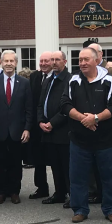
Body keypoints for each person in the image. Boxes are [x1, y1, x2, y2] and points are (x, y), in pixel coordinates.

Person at [60, 47, 112, 223]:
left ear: (96, 60)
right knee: (78, 177)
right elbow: (64, 104)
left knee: (109, 176)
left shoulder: (109, 80)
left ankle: (111, 209)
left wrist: (95, 118)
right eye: (80, 60)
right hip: (79, 139)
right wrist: (83, 119)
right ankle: (79, 209)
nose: (82, 63)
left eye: (86, 59)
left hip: (106, 139)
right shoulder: (73, 80)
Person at [0, 49, 33, 204]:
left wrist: (27, 128)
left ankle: (14, 191)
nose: (8, 64)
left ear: (16, 63)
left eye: (11, 61)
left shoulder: (24, 83)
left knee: (15, 163)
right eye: (6, 61)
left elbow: (28, 108)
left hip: (17, 131)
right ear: (1, 62)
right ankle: (0, 192)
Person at [38, 50, 70, 206]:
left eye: (57, 59)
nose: (54, 62)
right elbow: (40, 104)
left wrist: (53, 123)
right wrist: (40, 121)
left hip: (63, 130)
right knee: (55, 165)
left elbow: (68, 106)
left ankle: (73, 195)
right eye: (52, 60)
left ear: (65, 61)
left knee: (67, 166)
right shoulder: (48, 80)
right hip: (47, 130)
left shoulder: (70, 80)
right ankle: (59, 193)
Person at [28, 51, 52, 200]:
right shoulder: (34, 77)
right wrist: (37, 122)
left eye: (46, 61)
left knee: (57, 160)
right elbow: (31, 101)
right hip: (37, 125)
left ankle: (63, 190)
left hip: (54, 125)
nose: (43, 64)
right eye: (41, 61)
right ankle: (41, 188)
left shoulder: (59, 78)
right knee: (38, 159)